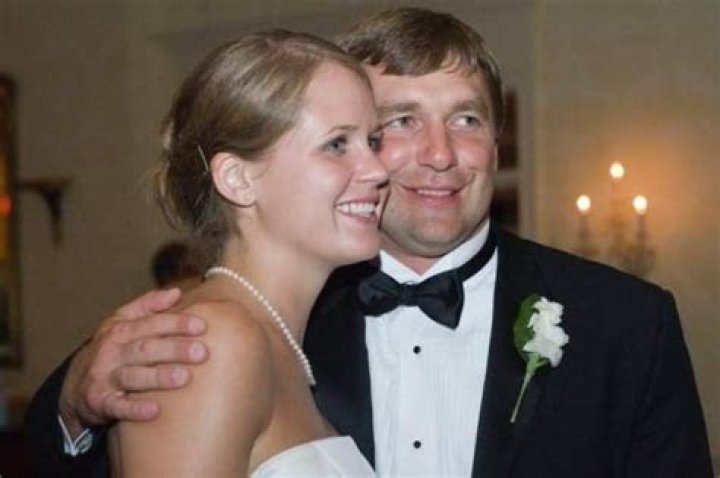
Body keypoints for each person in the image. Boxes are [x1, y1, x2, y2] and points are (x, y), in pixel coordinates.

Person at [27, 8, 713, 477]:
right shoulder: (246, 321)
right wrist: (73, 407)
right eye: (398, 123)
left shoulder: (626, 321)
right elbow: (104, 432)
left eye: (467, 120)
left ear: (497, 141)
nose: (438, 155)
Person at [36, 30, 388, 476]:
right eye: (336, 144)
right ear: (237, 179)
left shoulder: (271, 340)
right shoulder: (212, 345)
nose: (377, 169)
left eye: (372, 142)